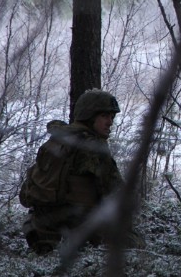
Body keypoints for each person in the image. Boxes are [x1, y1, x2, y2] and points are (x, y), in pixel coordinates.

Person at [20, 89, 140, 254]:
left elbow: (25, 197)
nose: (110, 122)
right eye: (104, 116)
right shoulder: (93, 148)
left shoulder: (53, 143)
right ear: (89, 116)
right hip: (80, 236)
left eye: (112, 117)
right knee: (135, 243)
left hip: (41, 232)